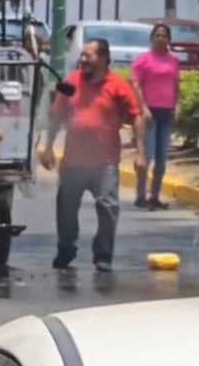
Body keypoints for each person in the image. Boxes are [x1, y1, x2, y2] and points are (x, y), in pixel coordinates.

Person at [39, 39, 146, 272]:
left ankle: (103, 255)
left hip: (104, 161)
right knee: (65, 208)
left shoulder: (118, 85)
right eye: (82, 55)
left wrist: (141, 154)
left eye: (89, 55)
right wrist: (47, 148)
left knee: (108, 207)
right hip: (73, 161)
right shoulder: (71, 82)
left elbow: (136, 116)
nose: (83, 60)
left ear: (104, 59)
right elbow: (57, 115)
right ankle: (66, 248)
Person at [131, 23, 181, 210]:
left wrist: (176, 107)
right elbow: (136, 84)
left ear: (169, 39)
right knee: (148, 154)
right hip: (149, 112)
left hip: (166, 111)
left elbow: (176, 85)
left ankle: (155, 196)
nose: (161, 38)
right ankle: (140, 195)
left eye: (164, 35)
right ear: (152, 38)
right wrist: (143, 108)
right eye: (158, 35)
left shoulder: (173, 61)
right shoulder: (143, 59)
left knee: (161, 158)